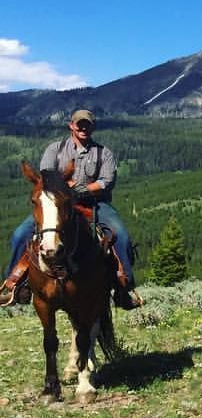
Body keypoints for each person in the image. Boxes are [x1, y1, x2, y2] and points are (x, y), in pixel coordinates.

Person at [1, 109, 142, 310]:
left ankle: (124, 287)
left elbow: (106, 182)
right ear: (71, 126)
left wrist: (82, 188)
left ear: (93, 127)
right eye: (79, 124)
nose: (83, 128)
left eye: (87, 124)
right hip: (57, 204)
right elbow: (47, 179)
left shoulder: (103, 153)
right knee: (20, 235)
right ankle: (14, 285)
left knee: (121, 235)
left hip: (94, 203)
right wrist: (67, 189)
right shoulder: (55, 149)